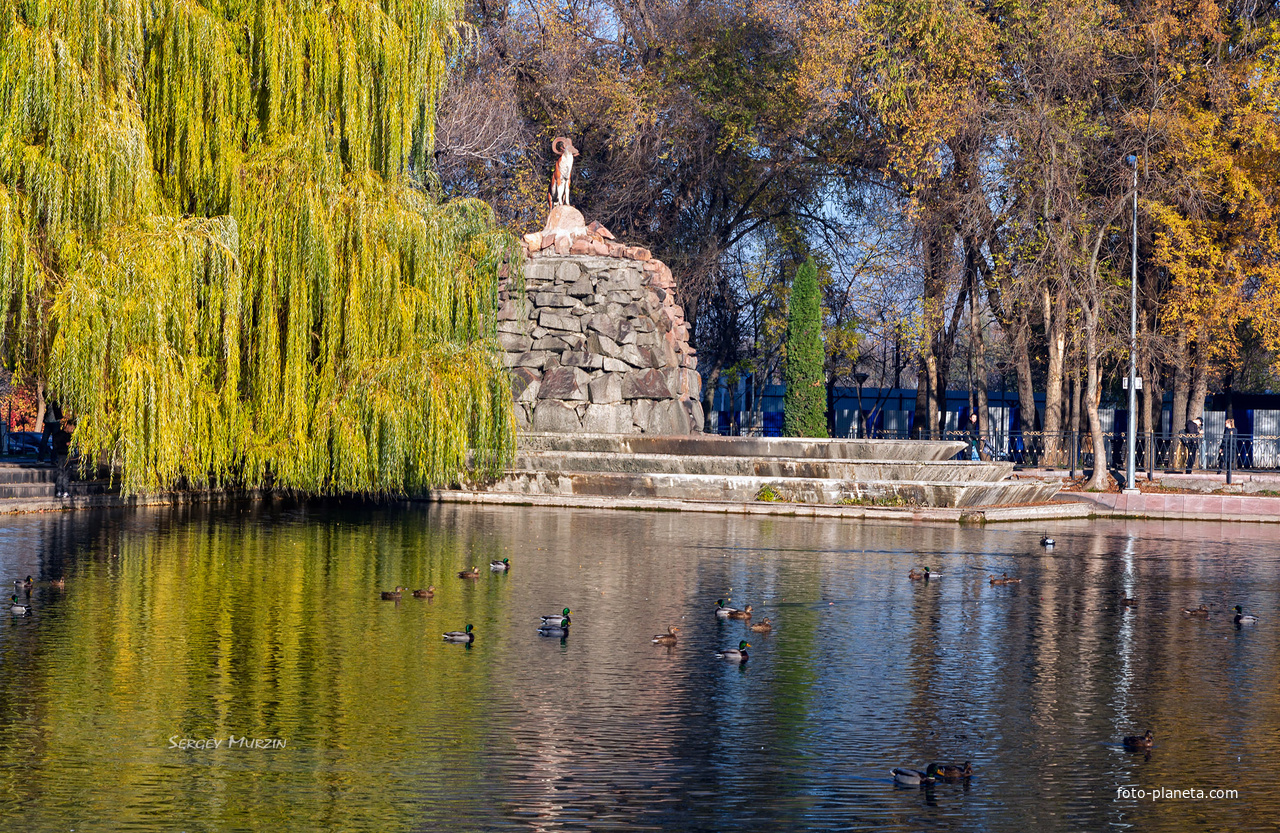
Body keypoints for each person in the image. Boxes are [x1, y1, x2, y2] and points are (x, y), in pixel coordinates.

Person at [52, 415, 73, 498]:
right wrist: (66, 444)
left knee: (67, 474)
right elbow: (57, 445)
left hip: (68, 456)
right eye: (71, 428)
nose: (72, 430)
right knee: (61, 473)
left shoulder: (70, 435)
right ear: (67, 426)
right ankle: (59, 490)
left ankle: (65, 491)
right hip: (62, 455)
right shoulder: (59, 435)